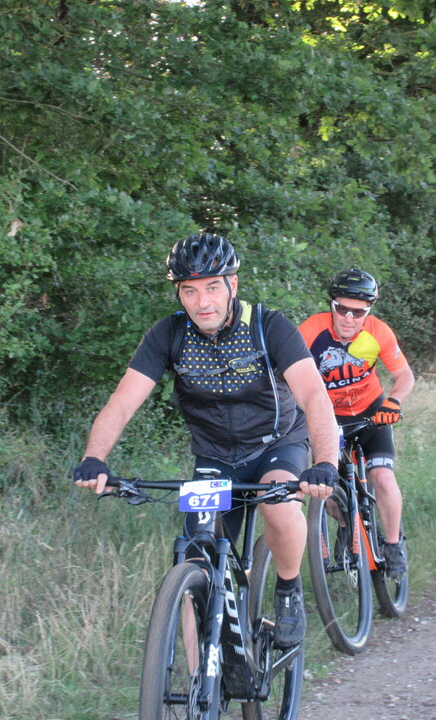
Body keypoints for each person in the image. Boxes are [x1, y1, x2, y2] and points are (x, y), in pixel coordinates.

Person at [72, 233, 339, 649]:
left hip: (276, 443)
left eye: (212, 287)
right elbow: (122, 403)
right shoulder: (168, 335)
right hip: (215, 458)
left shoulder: (269, 326)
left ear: (233, 284)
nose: (202, 302)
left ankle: (288, 590)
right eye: (189, 291)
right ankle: (204, 681)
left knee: (278, 504)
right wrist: (95, 457)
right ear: (179, 293)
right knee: (194, 562)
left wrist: (325, 463)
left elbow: (313, 396)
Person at [298, 269, 415, 578]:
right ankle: (347, 525)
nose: (348, 318)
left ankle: (393, 545)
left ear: (369, 311)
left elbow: (404, 375)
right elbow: (286, 373)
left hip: (371, 411)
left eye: (358, 312)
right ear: (332, 305)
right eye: (342, 309)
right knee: (327, 490)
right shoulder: (311, 330)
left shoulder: (379, 332)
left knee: (382, 476)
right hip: (328, 418)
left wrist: (393, 402)